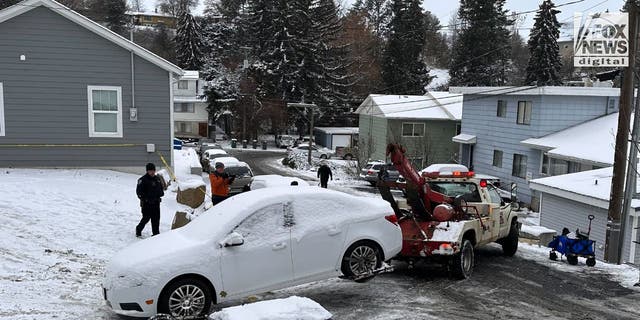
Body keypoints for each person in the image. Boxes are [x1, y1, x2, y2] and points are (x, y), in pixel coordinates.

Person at [136, 162, 164, 237]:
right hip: (147, 204)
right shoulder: (142, 180)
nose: (152, 172)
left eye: (153, 170)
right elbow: (139, 192)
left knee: (156, 220)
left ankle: (156, 235)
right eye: (150, 170)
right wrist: (146, 198)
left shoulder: (157, 179)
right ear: (147, 171)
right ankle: (138, 229)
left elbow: (161, 190)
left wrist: (159, 194)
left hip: (156, 203)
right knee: (146, 218)